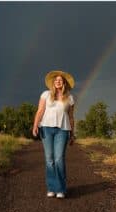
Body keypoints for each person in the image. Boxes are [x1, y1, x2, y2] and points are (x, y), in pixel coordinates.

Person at [32, 70, 75, 199]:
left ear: (64, 83)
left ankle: (61, 189)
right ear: (53, 82)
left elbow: (71, 117)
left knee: (58, 159)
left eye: (60, 80)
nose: (58, 81)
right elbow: (40, 111)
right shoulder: (45, 94)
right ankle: (51, 187)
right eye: (56, 80)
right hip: (46, 129)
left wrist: (72, 134)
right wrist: (35, 125)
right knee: (49, 160)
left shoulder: (70, 98)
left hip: (62, 130)